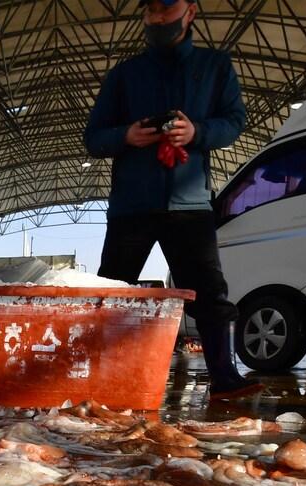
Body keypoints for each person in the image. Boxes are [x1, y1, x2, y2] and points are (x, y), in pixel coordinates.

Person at [84, 0, 262, 400]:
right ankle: (97, 379)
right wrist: (126, 136)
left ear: (191, 11)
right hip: (132, 204)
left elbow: (234, 121)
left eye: (167, 10)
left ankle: (225, 378)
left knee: (210, 293)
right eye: (151, 12)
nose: (159, 19)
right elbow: (94, 137)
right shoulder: (125, 75)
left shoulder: (215, 66)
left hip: (189, 204)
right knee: (113, 292)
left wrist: (195, 131)